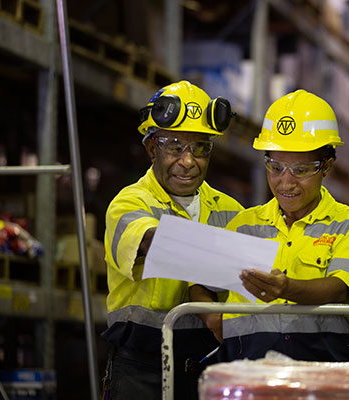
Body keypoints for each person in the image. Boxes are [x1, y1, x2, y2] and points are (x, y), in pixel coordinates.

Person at [192, 89, 349, 362]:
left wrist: (285, 288)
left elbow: (338, 288)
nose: (286, 183)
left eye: (301, 170)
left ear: (327, 167)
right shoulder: (244, 225)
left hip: (323, 369)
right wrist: (212, 317)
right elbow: (199, 284)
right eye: (275, 167)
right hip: (248, 370)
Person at [102, 80, 243, 400]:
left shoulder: (231, 211)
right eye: (175, 146)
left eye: (200, 147)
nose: (188, 161)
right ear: (152, 148)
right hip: (142, 370)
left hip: (210, 367)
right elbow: (156, 242)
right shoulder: (129, 203)